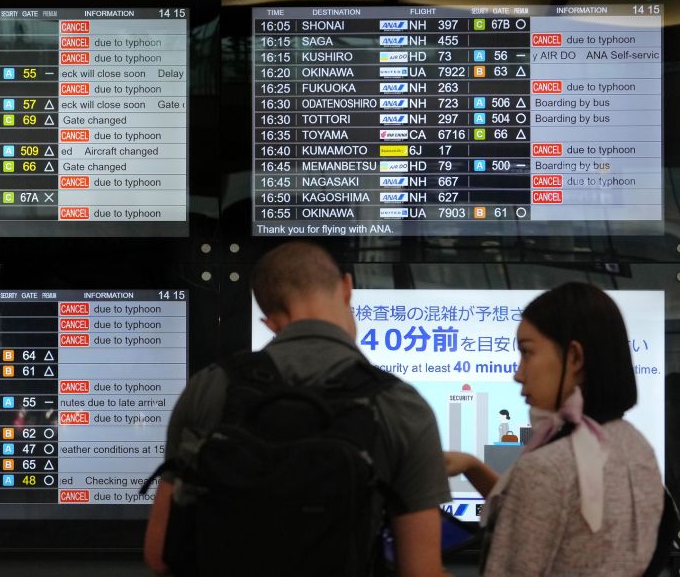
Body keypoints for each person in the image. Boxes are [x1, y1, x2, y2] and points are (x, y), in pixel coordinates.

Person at [143, 241, 451, 577]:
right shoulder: (399, 404)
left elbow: (160, 554)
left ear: (270, 322)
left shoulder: (209, 388)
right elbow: (420, 571)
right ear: (347, 287)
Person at [445, 283, 663, 576]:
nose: (518, 374)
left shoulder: (547, 468)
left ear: (574, 358)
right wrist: (473, 466)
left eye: (527, 352)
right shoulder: (639, 448)